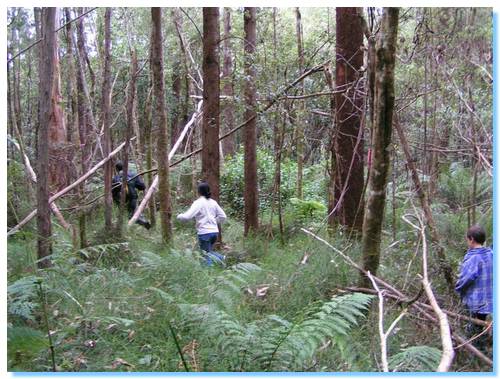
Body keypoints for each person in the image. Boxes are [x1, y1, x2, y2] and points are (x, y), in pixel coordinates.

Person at [455, 225, 492, 349]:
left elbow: (466, 279)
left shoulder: (473, 258)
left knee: (474, 330)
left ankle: (476, 352)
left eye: (467, 239)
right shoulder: (491, 254)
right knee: (483, 325)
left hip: (476, 303)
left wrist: (458, 288)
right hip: (490, 302)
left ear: (471, 239)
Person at [177, 182, 227, 266]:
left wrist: (179, 216)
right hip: (214, 233)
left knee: (205, 256)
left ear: (199, 192)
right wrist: (214, 222)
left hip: (204, 233)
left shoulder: (198, 203)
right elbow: (223, 216)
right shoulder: (213, 202)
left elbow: (187, 217)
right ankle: (222, 259)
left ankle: (209, 272)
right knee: (208, 252)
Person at [112, 162, 151, 229]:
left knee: (129, 216)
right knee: (133, 213)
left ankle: (140, 222)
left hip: (121, 201)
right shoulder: (133, 175)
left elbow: (113, 192)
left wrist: (116, 201)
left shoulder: (116, 178)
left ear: (117, 169)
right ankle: (142, 222)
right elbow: (142, 186)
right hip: (133, 198)